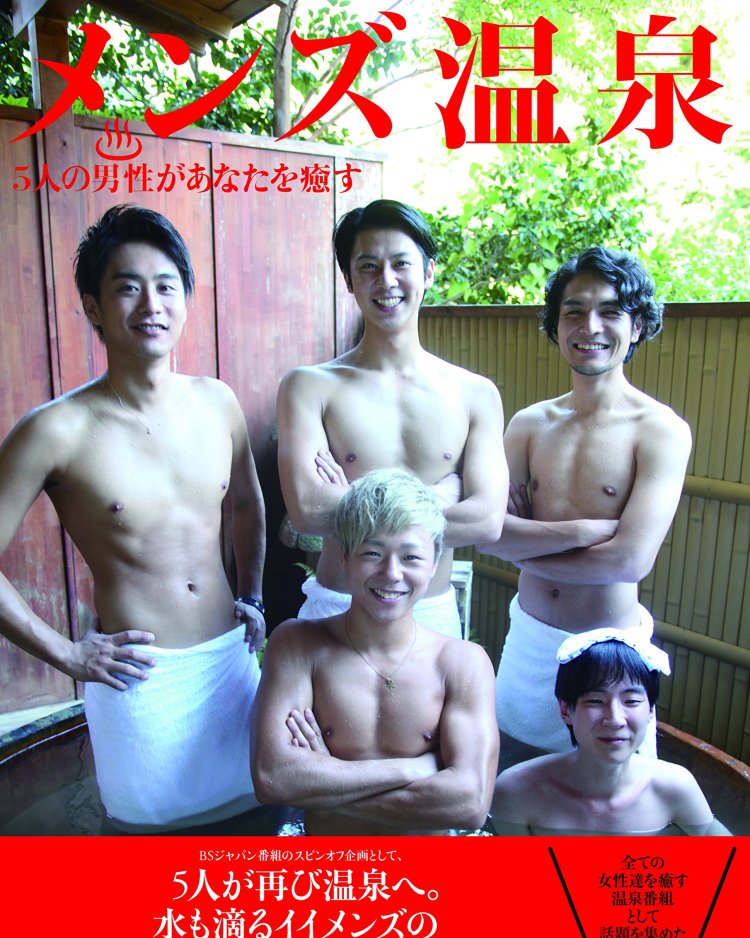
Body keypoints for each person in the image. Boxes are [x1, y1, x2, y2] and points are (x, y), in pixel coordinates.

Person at [0, 205, 266, 832]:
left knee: (257, 828)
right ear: (93, 307)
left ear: (186, 299)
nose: (151, 304)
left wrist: (252, 594)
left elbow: (247, 505)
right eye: (128, 287)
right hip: (140, 682)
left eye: (166, 285)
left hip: (230, 663)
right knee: (146, 847)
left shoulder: (217, 402)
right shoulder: (56, 430)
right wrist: (68, 655)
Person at [479, 247, 692, 764]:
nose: (589, 326)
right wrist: (582, 531)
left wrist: (518, 547)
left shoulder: (660, 430)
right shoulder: (529, 425)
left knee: (611, 798)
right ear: (556, 325)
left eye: (610, 311)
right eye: (573, 311)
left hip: (607, 649)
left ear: (636, 327)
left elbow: (629, 561)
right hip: (528, 638)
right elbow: (488, 530)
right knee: (511, 778)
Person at [277, 199, 508, 639]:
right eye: (368, 266)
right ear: (349, 280)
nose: (386, 281)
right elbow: (308, 512)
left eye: (401, 263)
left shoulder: (474, 394)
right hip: (337, 607)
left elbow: (486, 521)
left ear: (429, 272)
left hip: (432, 614)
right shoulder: (308, 387)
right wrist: (441, 494)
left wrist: (351, 500)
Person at [251, 469, 499, 836]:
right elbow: (273, 777)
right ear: (345, 557)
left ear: (434, 563)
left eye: (411, 557)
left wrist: (324, 783)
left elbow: (469, 802)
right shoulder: (299, 646)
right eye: (373, 553)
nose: (392, 573)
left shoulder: (462, 663)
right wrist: (412, 768)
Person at [491, 629, 731, 836]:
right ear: (566, 710)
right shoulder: (517, 792)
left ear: (650, 711)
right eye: (596, 701)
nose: (615, 719)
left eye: (631, 701)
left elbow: (733, 864)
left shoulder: (674, 788)